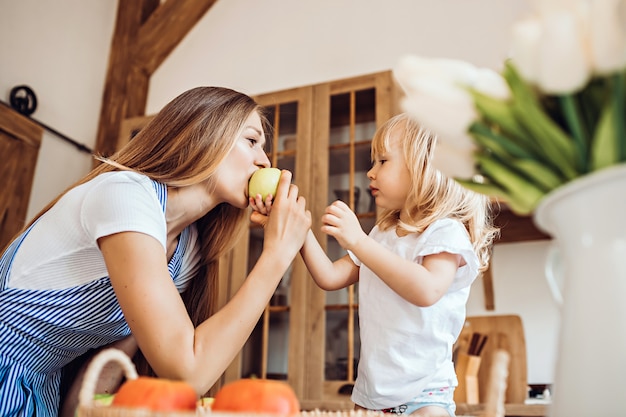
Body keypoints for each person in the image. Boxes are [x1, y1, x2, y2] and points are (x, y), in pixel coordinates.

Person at [0, 86, 312, 417]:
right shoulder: (125, 195)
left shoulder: (186, 250)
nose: (264, 160)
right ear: (203, 132)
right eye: (252, 141)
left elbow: (108, 363)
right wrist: (277, 255)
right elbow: (188, 371)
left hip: (38, 391)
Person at [254, 113, 498, 416]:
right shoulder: (381, 234)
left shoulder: (444, 231)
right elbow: (329, 277)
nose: (370, 172)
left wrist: (358, 241)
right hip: (371, 394)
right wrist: (296, 228)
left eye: (383, 161)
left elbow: (427, 289)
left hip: (426, 393)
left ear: (427, 168)